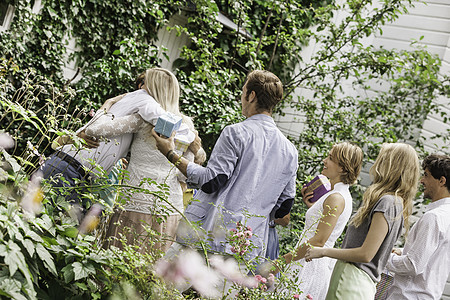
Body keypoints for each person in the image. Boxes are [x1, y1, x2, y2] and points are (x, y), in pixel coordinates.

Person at [151, 70, 299, 260]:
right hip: (246, 246)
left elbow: (212, 181)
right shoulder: (290, 151)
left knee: (160, 286)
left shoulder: (236, 133)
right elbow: (284, 206)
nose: (241, 96)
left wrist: (170, 153)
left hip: (208, 236)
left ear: (251, 95)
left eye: (243, 90)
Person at [84, 68, 205, 252]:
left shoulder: (140, 119)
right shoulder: (186, 125)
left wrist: (107, 104)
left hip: (135, 202)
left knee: (120, 264)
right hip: (169, 207)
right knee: (151, 273)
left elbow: (93, 130)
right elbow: (184, 176)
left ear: (153, 90)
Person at [39, 68, 194, 212]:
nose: (141, 86)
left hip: (73, 171)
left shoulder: (135, 103)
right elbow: (165, 120)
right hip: (68, 170)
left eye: (145, 82)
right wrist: (190, 137)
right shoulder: (144, 101)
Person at [305, 143, 421, 299]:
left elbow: (366, 254)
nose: (376, 164)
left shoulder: (387, 202)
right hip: (352, 280)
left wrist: (323, 252)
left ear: (390, 165)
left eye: (382, 159)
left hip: (352, 281)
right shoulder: (395, 202)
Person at [273, 142, 363, 298]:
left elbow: (319, 240)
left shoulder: (336, 198)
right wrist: (313, 208)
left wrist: (283, 261)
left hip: (309, 263)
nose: (324, 161)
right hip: (307, 259)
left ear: (342, 167)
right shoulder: (339, 195)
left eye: (330, 158)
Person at [386, 154, 450, 300]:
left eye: (426, 175)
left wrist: (382, 256)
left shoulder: (434, 217)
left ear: (441, 181)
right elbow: (433, 252)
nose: (421, 180)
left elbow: (413, 265)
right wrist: (402, 251)